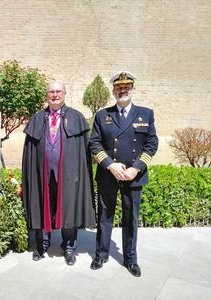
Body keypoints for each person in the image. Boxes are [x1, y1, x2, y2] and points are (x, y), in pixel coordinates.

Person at [89, 71, 158, 277]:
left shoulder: (146, 113)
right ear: (113, 90)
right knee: (104, 216)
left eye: (127, 86)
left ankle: (130, 259)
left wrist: (136, 168)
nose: (123, 90)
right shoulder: (103, 115)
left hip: (133, 176)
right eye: (119, 87)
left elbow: (151, 143)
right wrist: (110, 165)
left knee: (130, 219)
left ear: (133, 89)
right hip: (109, 175)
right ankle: (101, 255)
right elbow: (94, 142)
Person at [22, 80, 96, 266]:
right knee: (41, 205)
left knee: (68, 207)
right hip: (42, 172)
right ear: (47, 95)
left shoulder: (77, 117)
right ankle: (42, 244)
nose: (55, 95)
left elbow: (82, 153)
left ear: (64, 94)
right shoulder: (37, 118)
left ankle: (69, 247)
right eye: (51, 92)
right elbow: (29, 152)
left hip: (69, 174)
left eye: (58, 92)